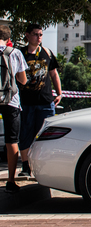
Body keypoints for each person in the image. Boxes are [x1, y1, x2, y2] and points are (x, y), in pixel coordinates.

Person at [18, 23, 62, 177]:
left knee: (45, 135)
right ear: (27, 35)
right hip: (25, 102)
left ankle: (44, 167)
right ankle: (25, 167)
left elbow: (54, 74)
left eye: (41, 35)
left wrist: (59, 93)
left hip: (45, 101)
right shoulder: (20, 53)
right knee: (25, 134)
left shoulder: (47, 52)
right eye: (36, 34)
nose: (39, 38)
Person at [0, 25, 28, 193]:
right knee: (12, 141)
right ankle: (11, 180)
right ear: (8, 39)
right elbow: (23, 80)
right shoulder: (15, 53)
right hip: (11, 101)